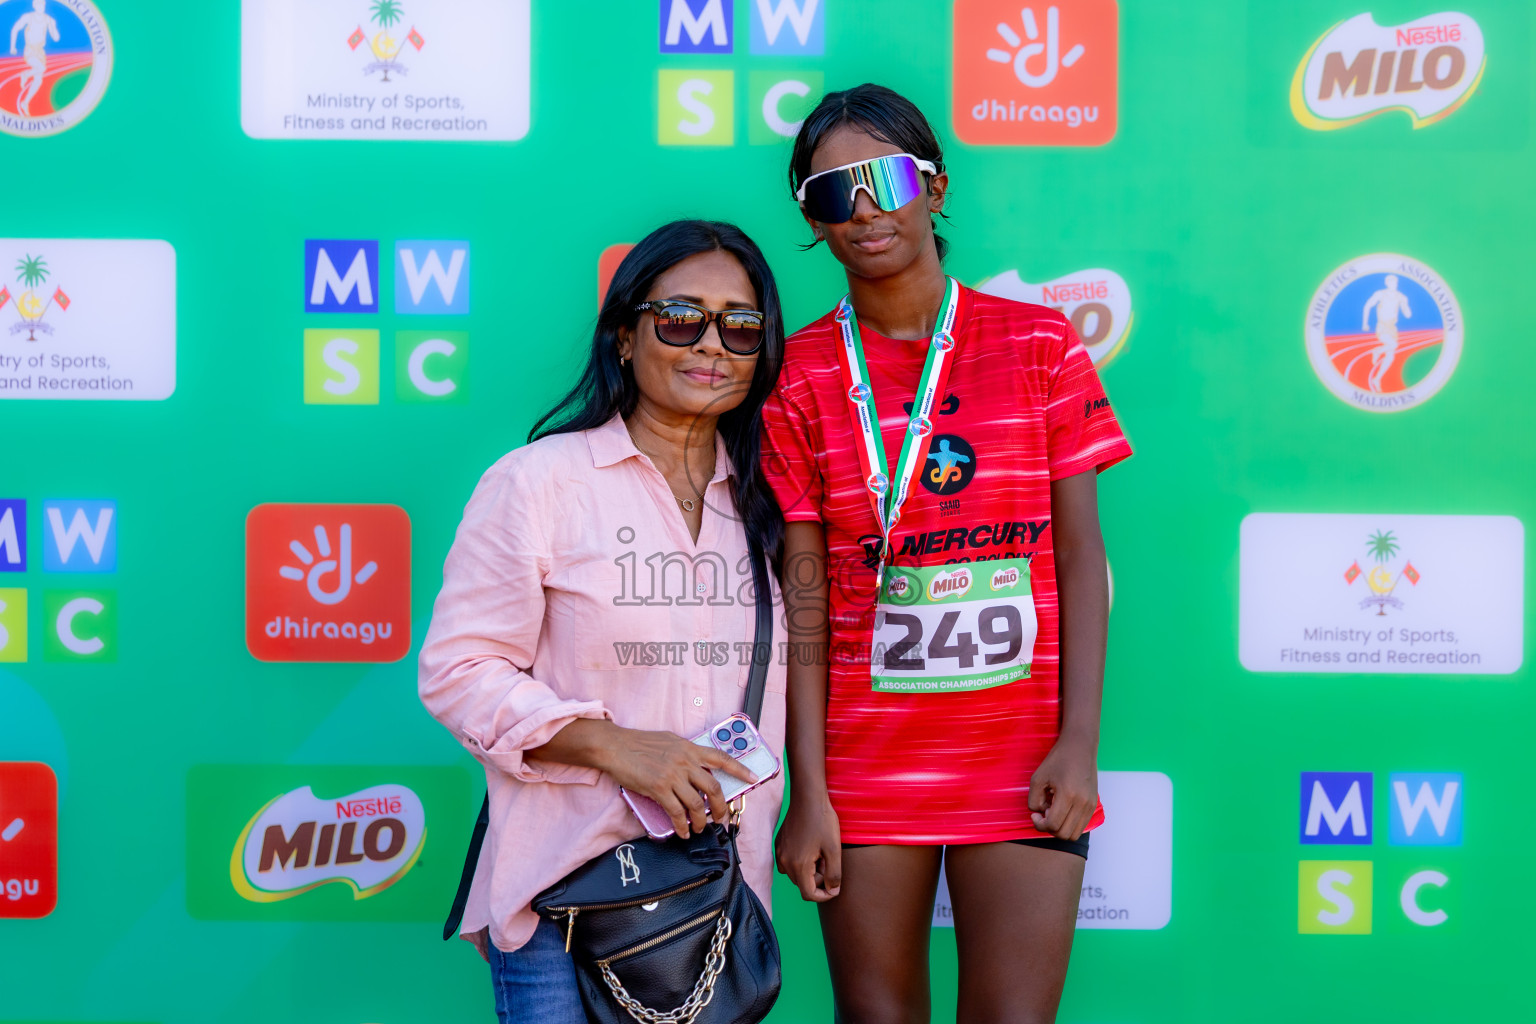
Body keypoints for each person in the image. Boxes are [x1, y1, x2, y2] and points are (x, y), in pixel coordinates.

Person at [762, 84, 1132, 1023]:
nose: (863, 209)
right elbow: (803, 596)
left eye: (882, 177)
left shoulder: (1040, 344)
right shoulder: (801, 372)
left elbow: (1081, 561)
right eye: (827, 192)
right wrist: (811, 790)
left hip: (1021, 753)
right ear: (811, 218)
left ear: (934, 184)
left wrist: (1079, 741)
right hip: (864, 761)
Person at [419, 220, 788, 1024]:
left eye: (742, 325)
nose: (712, 344)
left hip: (716, 903)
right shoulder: (539, 483)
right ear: (626, 336)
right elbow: (459, 671)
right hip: (563, 895)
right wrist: (618, 748)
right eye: (682, 318)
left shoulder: (771, 509)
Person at [9, 0, 59, 118]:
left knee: (39, 80)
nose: (41, 7)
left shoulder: (48, 19)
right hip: (30, 50)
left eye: (43, 5)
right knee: (41, 68)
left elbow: (56, 38)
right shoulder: (28, 17)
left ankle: (25, 103)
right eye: (39, 5)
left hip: (41, 52)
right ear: (34, 5)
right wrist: (12, 47)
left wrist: (53, 25)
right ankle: (25, 74)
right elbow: (15, 29)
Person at [1362, 273, 1411, 393]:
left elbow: (1408, 315)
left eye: (1395, 282)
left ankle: (1377, 379)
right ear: (1387, 283)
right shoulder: (1380, 294)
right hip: (1382, 326)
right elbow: (1367, 306)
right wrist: (1365, 323)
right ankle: (1377, 350)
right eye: (1390, 282)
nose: (1393, 284)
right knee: (1393, 345)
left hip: (1392, 328)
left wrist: (1405, 304)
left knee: (1390, 357)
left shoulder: (1401, 297)